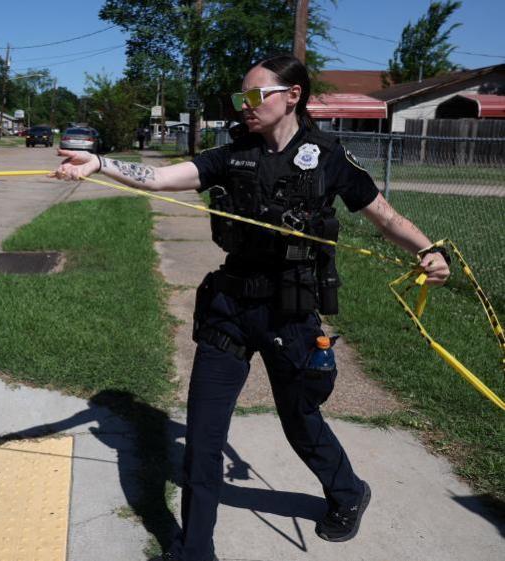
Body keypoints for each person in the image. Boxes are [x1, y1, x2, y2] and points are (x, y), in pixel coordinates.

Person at [50, 54, 450, 561]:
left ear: (293, 96)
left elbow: (383, 215)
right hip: (230, 308)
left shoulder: (327, 157)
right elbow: (159, 178)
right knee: (202, 433)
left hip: (291, 313)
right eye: (241, 97)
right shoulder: (232, 154)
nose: (245, 106)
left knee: (299, 419)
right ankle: (194, 550)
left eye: (256, 96)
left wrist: (427, 250)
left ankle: (349, 492)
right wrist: (100, 163)